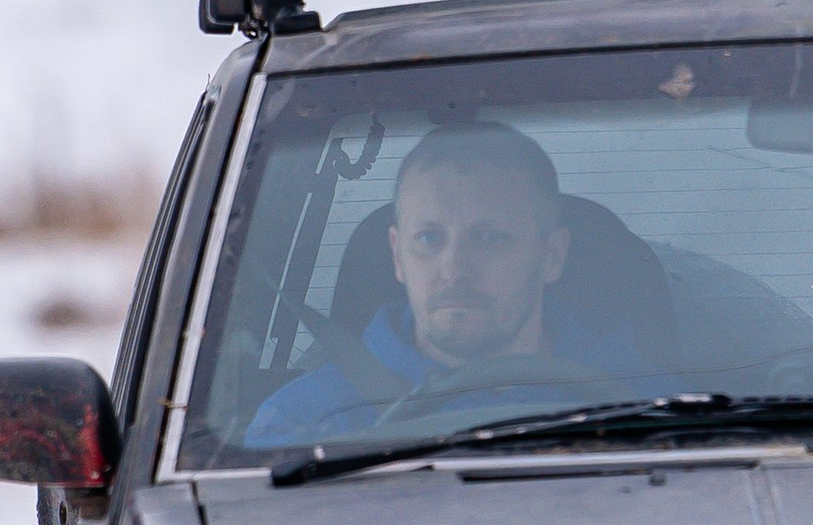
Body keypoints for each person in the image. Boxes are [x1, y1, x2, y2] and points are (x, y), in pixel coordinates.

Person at [244, 119, 640, 445]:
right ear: (398, 256)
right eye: (429, 239)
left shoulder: (654, 410)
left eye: (490, 238)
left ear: (552, 256)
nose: (454, 269)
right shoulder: (301, 426)